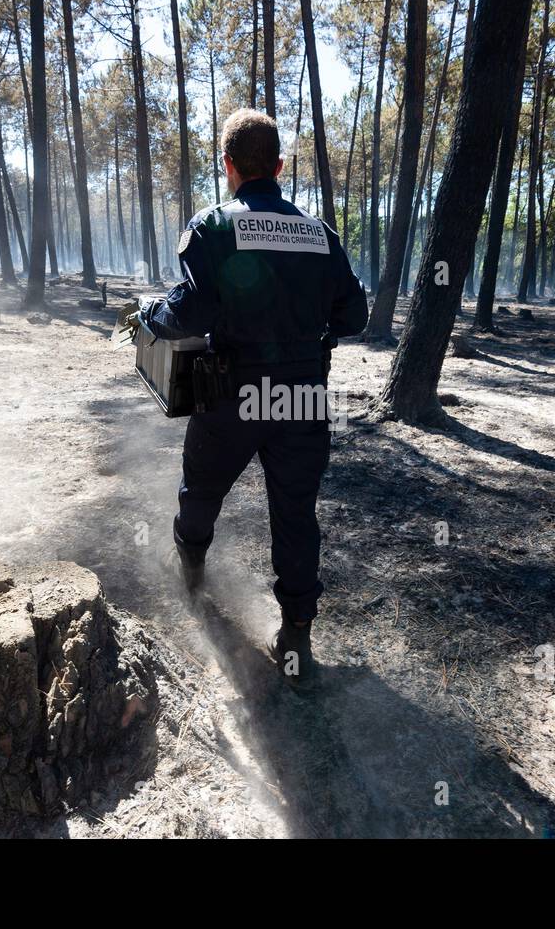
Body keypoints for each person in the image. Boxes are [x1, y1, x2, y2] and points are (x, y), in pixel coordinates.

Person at [133, 108, 367, 687]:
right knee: (294, 515)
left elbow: (192, 310)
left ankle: (190, 571)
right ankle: (297, 639)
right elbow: (356, 315)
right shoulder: (321, 235)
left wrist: (148, 315)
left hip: (232, 396)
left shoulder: (213, 227)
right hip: (303, 401)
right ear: (280, 166)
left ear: (228, 164)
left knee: (202, 487)